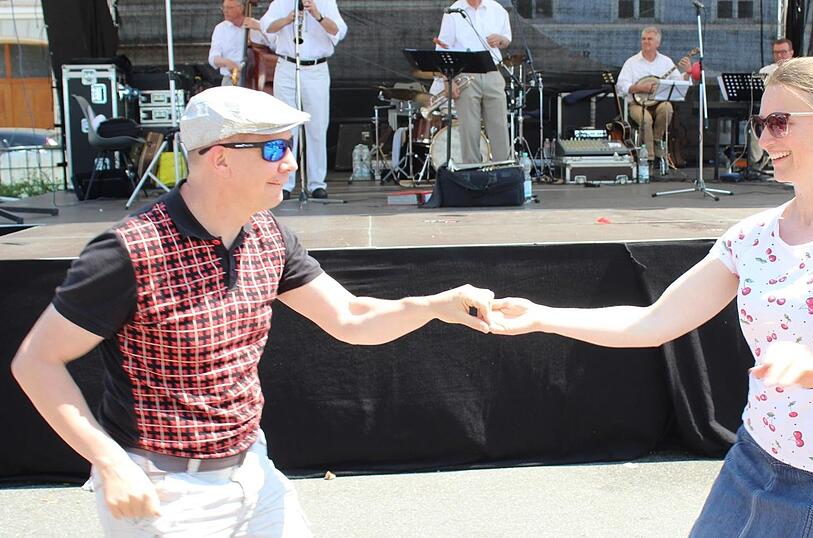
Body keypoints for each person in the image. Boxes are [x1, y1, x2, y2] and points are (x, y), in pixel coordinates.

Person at [10, 86, 495, 536]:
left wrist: (438, 306)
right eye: (272, 149)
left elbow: (350, 317)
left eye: (289, 147)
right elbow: (36, 361)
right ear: (219, 159)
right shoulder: (129, 251)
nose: (289, 164)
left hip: (253, 471)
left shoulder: (268, 236)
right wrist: (110, 462)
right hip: (162, 490)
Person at [490, 57, 813, 537]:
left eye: (780, 123)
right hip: (755, 461)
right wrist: (542, 316)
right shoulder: (752, 237)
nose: (765, 139)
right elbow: (652, 323)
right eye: (761, 124)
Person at [260, 0, 347, 200]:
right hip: (287, 65)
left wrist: (317, 15)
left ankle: (316, 183)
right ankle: (286, 182)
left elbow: (339, 31)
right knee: (287, 127)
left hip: (316, 69)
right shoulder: (281, 2)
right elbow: (266, 27)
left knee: (316, 126)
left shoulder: (326, 2)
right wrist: (286, 20)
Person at [431, 0, 512, 164]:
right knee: (469, 128)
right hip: (464, 73)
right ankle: (472, 171)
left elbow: (507, 39)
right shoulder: (453, 11)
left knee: (499, 126)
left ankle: (503, 168)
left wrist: (500, 40)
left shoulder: (497, 9)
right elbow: (443, 48)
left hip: (492, 71)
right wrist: (448, 79)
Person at [616, 26, 691, 168]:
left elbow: (677, 84)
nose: (646, 42)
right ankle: (649, 159)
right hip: (637, 104)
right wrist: (639, 88)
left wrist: (687, 73)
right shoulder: (631, 62)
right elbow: (621, 85)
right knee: (645, 119)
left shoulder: (666, 62)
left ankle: (657, 140)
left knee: (667, 108)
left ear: (658, 43)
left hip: (659, 102)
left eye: (650, 39)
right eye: (643, 39)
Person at [750, 38, 795, 170]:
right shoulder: (766, 70)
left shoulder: (798, 70)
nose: (780, 55)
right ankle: (756, 162)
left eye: (783, 52)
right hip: (771, 111)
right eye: (776, 52)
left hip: (792, 111)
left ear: (791, 52)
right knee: (755, 126)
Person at [208, 0, 275, 87]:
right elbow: (213, 58)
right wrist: (228, 63)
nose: (225, 11)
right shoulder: (220, 29)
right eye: (224, 7)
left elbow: (275, 45)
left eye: (229, 8)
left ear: (241, 8)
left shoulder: (255, 25)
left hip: (254, 81)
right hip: (230, 79)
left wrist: (260, 27)